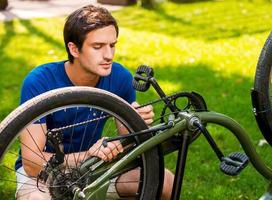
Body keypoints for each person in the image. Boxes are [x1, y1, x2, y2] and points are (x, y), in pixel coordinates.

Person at [15, 4, 174, 200]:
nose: (108, 55)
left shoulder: (119, 77)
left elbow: (127, 144)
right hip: (44, 174)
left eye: (112, 45)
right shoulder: (39, 81)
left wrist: (135, 121)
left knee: (165, 181)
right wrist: (89, 155)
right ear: (74, 48)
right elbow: (31, 163)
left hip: (95, 170)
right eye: (97, 47)